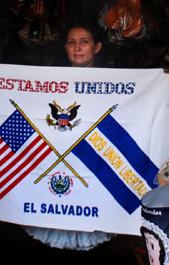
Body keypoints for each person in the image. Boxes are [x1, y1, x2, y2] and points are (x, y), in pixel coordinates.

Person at [23, 21, 115, 251]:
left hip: (90, 163)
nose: (77, 48)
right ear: (65, 47)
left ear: (97, 47)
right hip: (56, 161)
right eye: (72, 42)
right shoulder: (50, 81)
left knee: (88, 235)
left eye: (84, 42)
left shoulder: (113, 82)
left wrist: (161, 80)